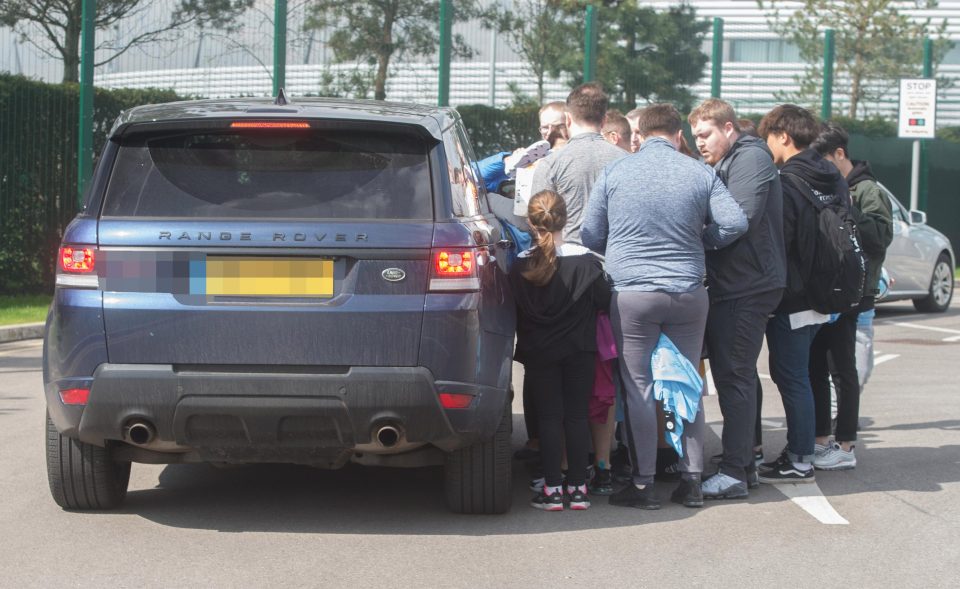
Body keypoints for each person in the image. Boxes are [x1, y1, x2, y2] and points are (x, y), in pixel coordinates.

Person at [582, 104, 748, 509]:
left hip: (633, 295)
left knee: (639, 387)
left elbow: (589, 232)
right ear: (678, 136)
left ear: (639, 135)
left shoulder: (616, 172)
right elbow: (735, 223)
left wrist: (622, 251)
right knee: (686, 381)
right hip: (689, 293)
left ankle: (642, 484)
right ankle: (691, 481)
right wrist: (700, 242)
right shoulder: (699, 172)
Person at [688, 98, 786, 499]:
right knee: (735, 376)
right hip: (740, 283)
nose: (700, 144)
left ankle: (734, 471)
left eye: (706, 134)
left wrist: (695, 241)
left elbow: (737, 221)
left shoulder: (750, 159)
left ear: (729, 128)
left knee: (735, 376)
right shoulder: (732, 161)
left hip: (748, 286)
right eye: (695, 137)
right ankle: (742, 465)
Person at [756, 104, 850, 484]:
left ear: (783, 135)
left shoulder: (787, 180)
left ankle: (799, 458)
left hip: (794, 296)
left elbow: (779, 242)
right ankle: (804, 451)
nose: (767, 145)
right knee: (805, 375)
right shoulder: (832, 175)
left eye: (769, 137)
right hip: (826, 291)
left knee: (791, 375)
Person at [510, 190, 612, 511]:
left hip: (540, 353)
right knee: (577, 416)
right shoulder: (586, 262)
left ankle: (553, 488)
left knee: (549, 418)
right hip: (580, 351)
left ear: (530, 222)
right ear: (565, 219)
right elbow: (605, 301)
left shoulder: (520, 266)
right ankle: (579, 488)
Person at [809, 122, 894, 470]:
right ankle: (822, 441)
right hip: (831, 295)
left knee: (846, 371)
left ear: (839, 154)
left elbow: (880, 237)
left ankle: (845, 445)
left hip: (856, 297)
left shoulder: (867, 190)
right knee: (821, 366)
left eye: (823, 160)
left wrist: (845, 211)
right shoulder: (835, 187)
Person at [531, 83, 626, 246]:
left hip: (568, 261)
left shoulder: (551, 164)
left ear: (567, 119)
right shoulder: (627, 161)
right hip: (615, 262)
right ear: (603, 121)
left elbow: (538, 220)